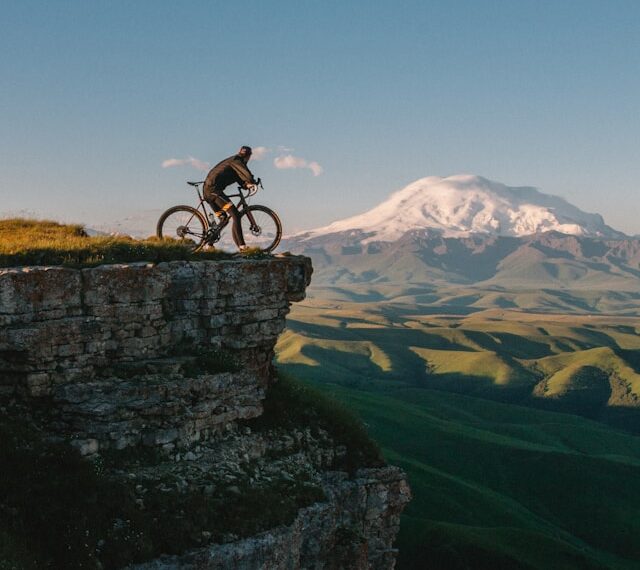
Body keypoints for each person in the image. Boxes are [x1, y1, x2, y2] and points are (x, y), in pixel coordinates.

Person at [203, 146, 257, 251]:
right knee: (236, 215)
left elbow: (241, 179)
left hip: (209, 191)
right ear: (249, 156)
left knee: (224, 219)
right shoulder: (237, 160)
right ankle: (242, 246)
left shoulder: (234, 163)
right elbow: (247, 175)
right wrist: (252, 181)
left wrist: (247, 185)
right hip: (214, 191)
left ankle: (209, 244)